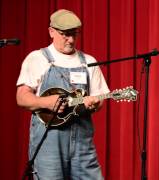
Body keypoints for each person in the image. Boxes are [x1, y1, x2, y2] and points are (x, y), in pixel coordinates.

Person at [16, 9, 108, 179]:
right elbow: (21, 97)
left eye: (74, 34)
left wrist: (94, 104)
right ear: (51, 31)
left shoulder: (89, 61)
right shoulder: (37, 58)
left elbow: (99, 98)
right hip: (48, 143)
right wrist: (46, 102)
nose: (71, 40)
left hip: (82, 143)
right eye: (65, 34)